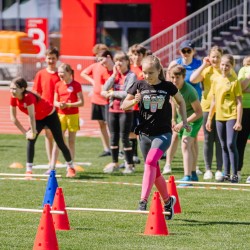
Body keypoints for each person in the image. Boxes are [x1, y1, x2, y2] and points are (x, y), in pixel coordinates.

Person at [121, 55, 190, 219]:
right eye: (144, 72)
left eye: (150, 72)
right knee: (155, 170)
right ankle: (168, 202)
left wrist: (184, 120)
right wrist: (133, 102)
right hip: (144, 134)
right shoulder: (138, 84)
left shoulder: (168, 86)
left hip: (163, 133)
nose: (146, 76)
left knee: (151, 162)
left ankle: (142, 200)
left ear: (159, 71)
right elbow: (124, 105)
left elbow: (180, 102)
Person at [9, 77, 76, 177]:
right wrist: (25, 133)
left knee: (60, 142)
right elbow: (13, 118)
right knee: (31, 140)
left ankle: (70, 167)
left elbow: (31, 116)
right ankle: (29, 170)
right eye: (11, 88)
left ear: (22, 89)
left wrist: (33, 131)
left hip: (50, 116)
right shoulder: (13, 98)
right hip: (38, 118)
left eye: (15, 89)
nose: (12, 91)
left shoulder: (28, 97)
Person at [163, 40, 203, 175]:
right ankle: (168, 164)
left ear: (193, 51)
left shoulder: (198, 64)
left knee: (191, 141)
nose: (186, 53)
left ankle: (192, 169)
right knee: (174, 136)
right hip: (180, 107)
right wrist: (173, 118)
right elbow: (173, 97)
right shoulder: (175, 65)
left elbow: (195, 80)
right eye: (183, 50)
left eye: (188, 50)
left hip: (193, 106)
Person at [190, 46, 225, 181]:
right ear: (209, 57)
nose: (215, 59)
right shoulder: (206, 70)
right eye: (213, 56)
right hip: (206, 108)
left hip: (222, 109)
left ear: (221, 57)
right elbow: (193, 79)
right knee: (208, 139)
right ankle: (208, 169)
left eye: (217, 56)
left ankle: (219, 170)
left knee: (220, 140)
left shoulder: (224, 70)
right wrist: (204, 64)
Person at [206, 54, 242, 183]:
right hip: (219, 117)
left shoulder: (235, 81)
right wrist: (210, 118)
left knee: (231, 144)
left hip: (231, 116)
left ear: (232, 66)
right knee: (223, 145)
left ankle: (235, 174)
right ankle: (226, 174)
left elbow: (239, 103)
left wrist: (238, 120)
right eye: (223, 64)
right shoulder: (215, 80)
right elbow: (214, 101)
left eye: (227, 65)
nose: (224, 67)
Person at [102, 51, 137, 174]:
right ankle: (115, 163)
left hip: (126, 110)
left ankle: (130, 164)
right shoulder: (115, 75)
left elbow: (128, 93)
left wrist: (112, 94)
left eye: (121, 60)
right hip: (113, 110)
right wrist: (113, 75)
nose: (118, 63)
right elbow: (103, 90)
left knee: (124, 137)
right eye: (116, 60)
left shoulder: (131, 76)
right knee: (113, 137)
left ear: (127, 62)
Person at [169, 65, 203, 185]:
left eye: (177, 77)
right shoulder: (172, 88)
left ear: (183, 77)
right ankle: (193, 174)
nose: (174, 80)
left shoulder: (190, 91)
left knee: (185, 144)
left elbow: (199, 112)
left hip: (194, 119)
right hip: (181, 120)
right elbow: (173, 103)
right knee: (191, 145)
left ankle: (187, 177)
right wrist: (173, 119)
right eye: (172, 77)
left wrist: (183, 123)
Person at [49, 63, 84, 174]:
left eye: (62, 72)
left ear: (69, 73)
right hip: (60, 116)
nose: (60, 74)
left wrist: (68, 105)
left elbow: (81, 102)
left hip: (73, 116)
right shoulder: (58, 85)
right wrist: (59, 104)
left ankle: (70, 167)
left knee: (71, 141)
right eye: (59, 72)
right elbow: (54, 101)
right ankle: (52, 167)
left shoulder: (76, 85)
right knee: (58, 141)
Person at [81, 45, 113, 157]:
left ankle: (115, 148)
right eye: (97, 55)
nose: (99, 57)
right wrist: (93, 81)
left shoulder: (112, 67)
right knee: (101, 124)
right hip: (96, 99)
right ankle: (106, 148)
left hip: (109, 100)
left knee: (112, 125)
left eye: (101, 54)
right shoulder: (96, 66)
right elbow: (83, 73)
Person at [33, 47, 60, 166]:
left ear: (57, 59)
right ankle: (51, 162)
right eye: (49, 58)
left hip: (59, 109)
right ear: (45, 59)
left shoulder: (61, 73)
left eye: (53, 58)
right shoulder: (40, 74)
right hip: (45, 110)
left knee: (59, 137)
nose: (51, 61)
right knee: (48, 135)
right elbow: (36, 92)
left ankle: (56, 160)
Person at [127, 44, 148, 164]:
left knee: (144, 131)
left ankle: (147, 153)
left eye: (139, 54)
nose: (137, 57)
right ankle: (134, 154)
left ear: (143, 56)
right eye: (135, 54)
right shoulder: (129, 69)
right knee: (131, 131)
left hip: (144, 106)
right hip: (132, 105)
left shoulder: (146, 69)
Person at [236, 56, 250, 183]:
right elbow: (240, 88)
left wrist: (247, 90)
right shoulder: (242, 71)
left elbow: (245, 89)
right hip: (245, 109)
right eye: (247, 63)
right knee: (240, 142)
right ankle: (238, 171)